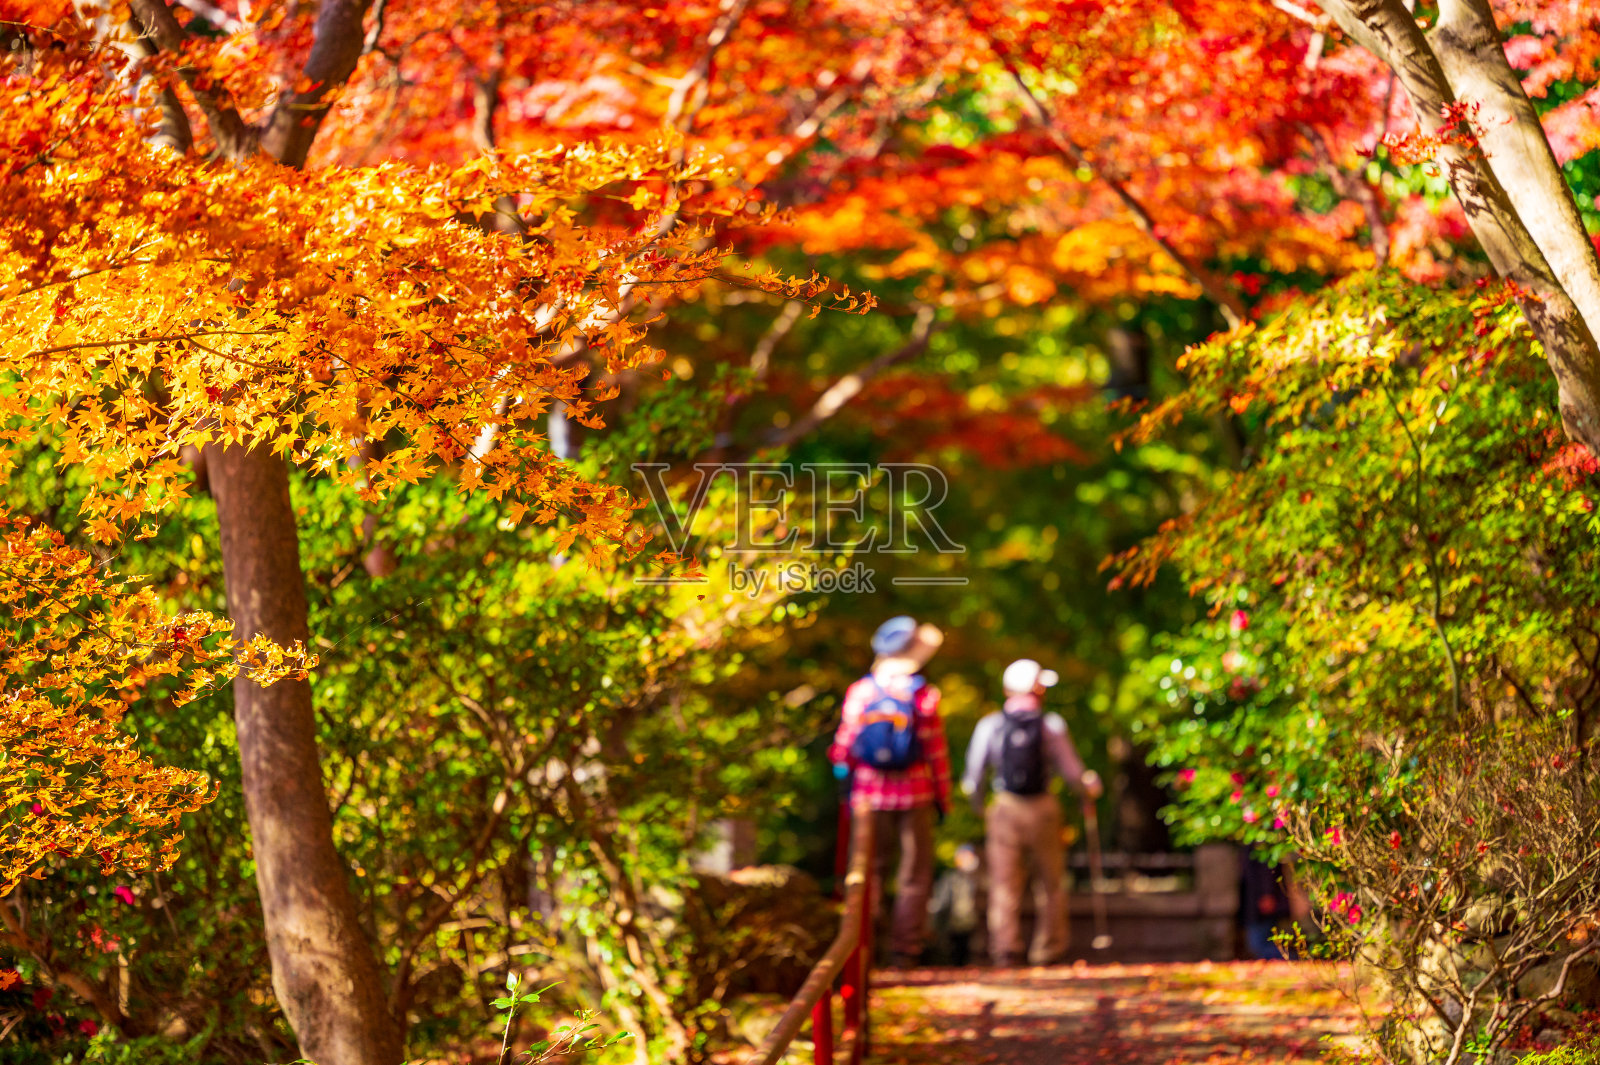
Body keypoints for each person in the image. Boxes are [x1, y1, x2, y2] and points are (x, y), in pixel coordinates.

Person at [829, 616, 952, 968]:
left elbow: (843, 749)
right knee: (914, 874)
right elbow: (936, 754)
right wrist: (943, 799)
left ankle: (867, 948)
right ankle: (905, 950)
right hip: (915, 796)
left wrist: (846, 783)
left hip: (867, 799)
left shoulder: (861, 691)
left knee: (869, 873)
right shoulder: (924, 695)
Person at [962, 658, 1101, 967]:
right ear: (1038, 689)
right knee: (1051, 883)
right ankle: (1048, 950)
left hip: (1005, 808)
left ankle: (1006, 949)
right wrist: (1087, 789)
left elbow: (973, 776)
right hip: (1044, 809)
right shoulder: (1050, 725)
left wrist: (979, 809)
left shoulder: (991, 724)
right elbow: (1073, 772)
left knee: (1004, 885)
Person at [928, 843, 984, 966]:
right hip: (954, 925)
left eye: (969, 857)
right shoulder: (950, 879)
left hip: (975, 926)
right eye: (963, 857)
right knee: (955, 954)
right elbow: (941, 903)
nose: (966, 861)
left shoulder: (981, 878)